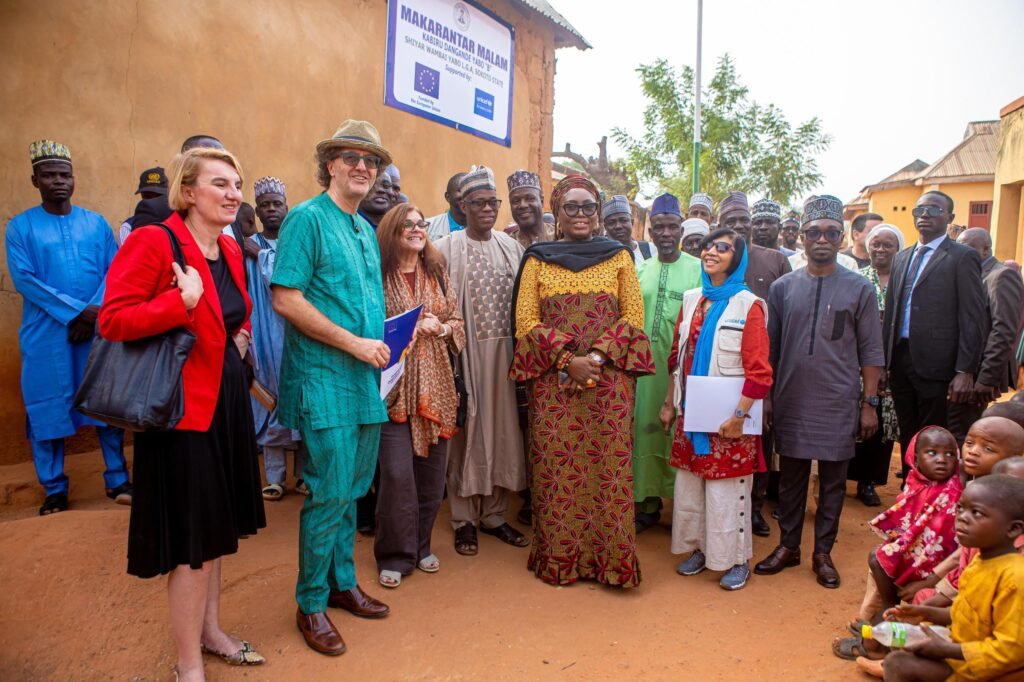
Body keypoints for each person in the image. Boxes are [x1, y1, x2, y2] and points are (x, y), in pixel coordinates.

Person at [99, 147, 267, 679]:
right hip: (180, 416)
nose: (233, 194)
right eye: (220, 184)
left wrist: (238, 336)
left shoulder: (230, 248)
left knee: (216, 533)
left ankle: (212, 632)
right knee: (192, 545)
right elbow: (113, 320)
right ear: (188, 191)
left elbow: (235, 312)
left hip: (226, 408)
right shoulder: (156, 241)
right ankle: (188, 661)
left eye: (237, 184)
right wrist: (181, 303)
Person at [271, 120, 393, 656]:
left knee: (354, 488)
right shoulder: (306, 219)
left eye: (371, 160)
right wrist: (355, 344)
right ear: (331, 166)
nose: (363, 167)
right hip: (325, 379)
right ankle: (311, 601)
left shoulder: (365, 228)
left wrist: (390, 343)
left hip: (366, 379)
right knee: (328, 491)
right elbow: (286, 299)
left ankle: (343, 583)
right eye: (351, 157)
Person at [511, 174, 654, 587]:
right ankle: (561, 559)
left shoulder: (619, 257)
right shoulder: (538, 257)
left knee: (608, 467)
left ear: (598, 212)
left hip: (608, 382)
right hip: (554, 383)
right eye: (570, 207)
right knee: (557, 467)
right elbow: (525, 322)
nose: (580, 215)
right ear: (557, 211)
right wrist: (565, 360)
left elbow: (632, 317)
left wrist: (592, 359)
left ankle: (611, 563)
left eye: (588, 207)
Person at [755, 195, 885, 589]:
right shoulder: (782, 288)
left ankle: (822, 553)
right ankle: (789, 546)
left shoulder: (860, 288)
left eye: (831, 232)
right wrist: (767, 397)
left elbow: (872, 351)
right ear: (803, 239)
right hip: (792, 396)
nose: (822, 239)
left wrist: (869, 403)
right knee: (791, 476)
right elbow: (770, 349)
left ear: (842, 238)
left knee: (832, 481)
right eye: (814, 232)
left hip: (839, 398)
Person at [6, 140, 131, 516]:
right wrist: (76, 312)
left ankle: (118, 478)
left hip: (97, 330)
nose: (58, 181)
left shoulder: (94, 224)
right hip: (46, 336)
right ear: (35, 180)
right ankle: (55, 488)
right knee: (47, 408)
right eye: (49, 175)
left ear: (73, 179)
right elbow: (24, 279)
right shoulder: (20, 227)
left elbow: (115, 271)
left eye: (64, 174)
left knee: (104, 403)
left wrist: (92, 313)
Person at [662, 227, 773, 590]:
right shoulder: (693, 298)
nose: (711, 252)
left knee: (728, 492)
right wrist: (669, 403)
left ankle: (737, 559)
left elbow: (759, 371)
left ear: (737, 258)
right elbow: (675, 360)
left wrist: (739, 417)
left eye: (722, 248)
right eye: (708, 246)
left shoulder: (749, 305)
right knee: (692, 488)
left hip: (729, 420)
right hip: (692, 415)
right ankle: (701, 549)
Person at [434, 166, 528, 556]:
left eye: (493, 202)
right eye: (478, 203)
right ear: (463, 205)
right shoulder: (444, 248)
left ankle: (493, 515)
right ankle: (463, 521)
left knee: (504, 432)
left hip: (505, 358)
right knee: (468, 435)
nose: (487, 209)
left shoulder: (512, 247)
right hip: (464, 356)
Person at [373, 203, 464, 588]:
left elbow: (456, 322)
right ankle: (394, 554)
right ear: (392, 233)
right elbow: (364, 323)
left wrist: (439, 328)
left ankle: (421, 545)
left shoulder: (437, 273)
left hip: (437, 388)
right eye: (406, 225)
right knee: (396, 476)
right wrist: (397, 329)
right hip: (392, 389)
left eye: (420, 224)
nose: (415, 229)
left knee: (431, 478)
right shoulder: (376, 275)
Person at [833, 426, 963, 663]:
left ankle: (880, 630)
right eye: (932, 453)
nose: (942, 460)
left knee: (881, 560)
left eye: (950, 454)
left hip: (941, 567)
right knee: (879, 560)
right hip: (922, 557)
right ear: (914, 458)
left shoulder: (953, 493)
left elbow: (948, 545)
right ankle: (879, 621)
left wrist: (930, 578)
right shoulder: (916, 483)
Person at [878, 474, 1024, 682]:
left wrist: (948, 649)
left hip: (989, 669)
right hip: (964, 652)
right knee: (901, 648)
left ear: (1013, 528)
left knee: (902, 665)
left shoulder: (1015, 578)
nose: (962, 517)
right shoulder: (980, 561)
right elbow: (968, 614)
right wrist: (924, 613)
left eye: (977, 513)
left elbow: (1012, 650)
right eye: (961, 509)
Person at [882, 191, 986, 453]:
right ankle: (910, 491)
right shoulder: (901, 258)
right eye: (920, 210)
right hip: (900, 358)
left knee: (933, 436)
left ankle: (931, 494)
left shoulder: (962, 257)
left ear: (949, 217)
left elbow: (972, 317)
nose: (925, 214)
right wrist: (883, 363)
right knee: (907, 433)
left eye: (935, 209)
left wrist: (965, 370)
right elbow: (892, 312)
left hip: (939, 365)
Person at [717, 191, 791, 535]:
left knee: (760, 438)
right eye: (730, 222)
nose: (739, 227)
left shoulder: (775, 260)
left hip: (762, 364)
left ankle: (754, 508)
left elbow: (785, 316)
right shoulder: (718, 256)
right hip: (722, 367)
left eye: (742, 221)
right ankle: (724, 510)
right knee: (724, 433)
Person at [633, 193, 702, 532]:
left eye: (671, 226)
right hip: (644, 371)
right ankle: (646, 505)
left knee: (679, 435)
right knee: (644, 432)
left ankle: (683, 511)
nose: (664, 233)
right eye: (657, 227)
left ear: (681, 228)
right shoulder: (640, 269)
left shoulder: (699, 269)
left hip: (683, 371)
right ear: (649, 231)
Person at [248, 177, 304, 501]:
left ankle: (303, 476)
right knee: (267, 403)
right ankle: (274, 477)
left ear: (287, 207)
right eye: (265, 205)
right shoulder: (246, 246)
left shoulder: (295, 242)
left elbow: (287, 278)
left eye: (277, 204)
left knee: (300, 406)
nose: (271, 210)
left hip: (294, 337)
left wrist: (261, 256)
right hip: (263, 341)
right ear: (257, 210)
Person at [849, 224, 904, 507]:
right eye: (876, 244)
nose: (880, 250)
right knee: (860, 415)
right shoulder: (858, 279)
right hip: (861, 361)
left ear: (898, 249)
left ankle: (868, 482)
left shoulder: (904, 280)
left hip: (896, 362)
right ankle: (848, 476)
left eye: (888, 245)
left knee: (883, 424)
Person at [956, 227, 1023, 421]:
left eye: (966, 247)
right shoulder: (975, 273)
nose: (961, 253)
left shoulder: (1001, 276)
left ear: (985, 249)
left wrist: (986, 378)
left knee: (964, 428)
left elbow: (1003, 331)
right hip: (966, 371)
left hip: (979, 375)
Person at [117, 166, 168, 245]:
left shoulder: (180, 225)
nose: (153, 201)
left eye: (158, 196)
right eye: (147, 196)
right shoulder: (128, 228)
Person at [504, 170, 553, 248]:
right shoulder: (507, 246)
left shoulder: (560, 235)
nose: (523, 205)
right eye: (516, 201)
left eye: (530, 198)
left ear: (542, 201)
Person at [602, 195, 652, 265]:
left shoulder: (651, 249)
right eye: (612, 222)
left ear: (632, 222)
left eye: (623, 220)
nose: (618, 226)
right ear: (605, 227)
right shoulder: (601, 257)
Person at [426, 173, 467, 241]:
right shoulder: (429, 228)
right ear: (447, 197)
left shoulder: (483, 229)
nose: (466, 195)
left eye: (469, 191)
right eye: (461, 190)